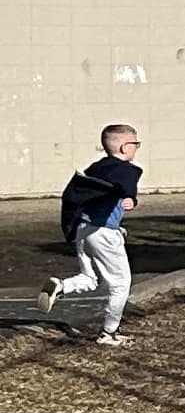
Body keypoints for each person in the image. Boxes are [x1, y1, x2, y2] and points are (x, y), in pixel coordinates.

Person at [46, 124, 145, 345]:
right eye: (135, 144)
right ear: (124, 147)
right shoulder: (126, 170)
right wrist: (131, 198)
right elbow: (127, 186)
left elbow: (97, 200)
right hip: (103, 233)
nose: (137, 148)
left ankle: (61, 286)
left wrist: (115, 225)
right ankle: (109, 333)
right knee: (120, 283)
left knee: (91, 278)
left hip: (84, 229)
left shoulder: (96, 168)